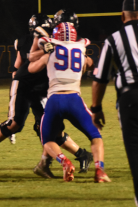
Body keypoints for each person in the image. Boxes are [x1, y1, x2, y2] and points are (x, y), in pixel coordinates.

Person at [0, 14, 93, 179]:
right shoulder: (38, 37)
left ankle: (48, 164)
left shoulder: (65, 40)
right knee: (15, 124)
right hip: (25, 84)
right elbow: (24, 62)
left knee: (50, 128)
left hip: (45, 88)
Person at [28, 22, 111, 183]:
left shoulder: (49, 53)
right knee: (95, 136)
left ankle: (64, 162)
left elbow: (31, 68)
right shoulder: (81, 52)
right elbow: (90, 66)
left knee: (47, 140)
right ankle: (100, 170)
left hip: (54, 100)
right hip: (74, 100)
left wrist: (42, 52)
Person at [91, 0, 138, 204]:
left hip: (131, 99)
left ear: (122, 16)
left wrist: (96, 108)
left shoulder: (114, 39)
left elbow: (100, 79)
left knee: (135, 153)